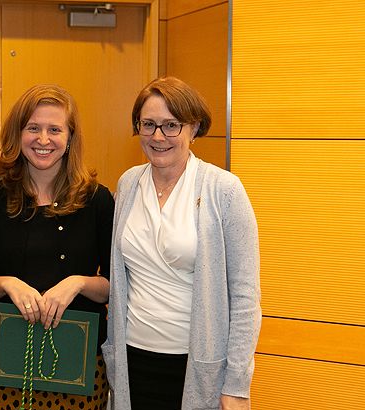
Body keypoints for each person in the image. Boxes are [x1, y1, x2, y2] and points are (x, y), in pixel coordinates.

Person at [102, 76, 261, 410]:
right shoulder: (128, 184)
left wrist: (236, 385)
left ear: (194, 127)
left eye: (171, 125)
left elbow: (246, 299)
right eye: (149, 124)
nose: (158, 136)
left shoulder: (225, 191)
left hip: (196, 366)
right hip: (133, 361)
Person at [0, 84, 114, 410]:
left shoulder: (98, 200)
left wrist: (79, 283)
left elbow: (117, 286)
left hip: (80, 360)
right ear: (18, 135)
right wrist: (6, 283)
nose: (43, 140)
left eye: (54, 130)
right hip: (8, 358)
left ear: (70, 137)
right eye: (33, 128)